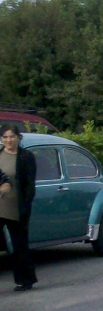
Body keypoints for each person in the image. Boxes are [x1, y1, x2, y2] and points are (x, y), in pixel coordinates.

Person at [0, 124, 38, 291]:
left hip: (17, 208)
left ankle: (25, 279)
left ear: (18, 137)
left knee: (19, 245)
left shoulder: (26, 157)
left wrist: (25, 206)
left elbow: (30, 185)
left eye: (11, 137)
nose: (8, 140)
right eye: (5, 137)